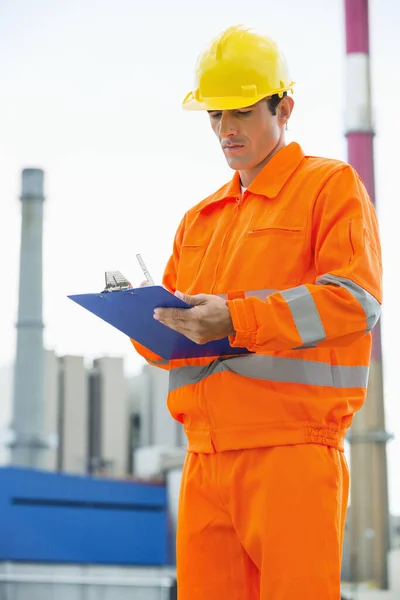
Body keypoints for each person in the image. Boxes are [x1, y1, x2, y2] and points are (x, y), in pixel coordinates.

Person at [131, 25, 382, 600]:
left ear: (284, 106)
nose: (225, 130)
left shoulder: (328, 187)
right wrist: (143, 319)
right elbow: (164, 345)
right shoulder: (201, 218)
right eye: (215, 116)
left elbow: (356, 300)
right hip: (203, 458)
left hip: (291, 451)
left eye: (240, 112)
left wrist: (237, 318)